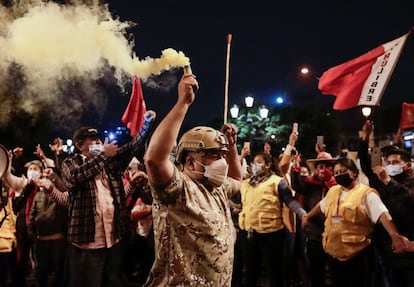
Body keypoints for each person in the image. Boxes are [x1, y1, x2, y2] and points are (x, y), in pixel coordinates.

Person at [143, 70, 243, 286]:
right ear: (190, 162)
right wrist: (183, 103)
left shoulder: (216, 188)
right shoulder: (178, 189)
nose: (222, 163)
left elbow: (237, 179)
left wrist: (232, 147)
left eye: (223, 157)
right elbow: (154, 160)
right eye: (214, 156)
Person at [60, 110, 155, 287]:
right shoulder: (70, 162)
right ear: (80, 146)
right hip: (87, 243)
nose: (99, 143)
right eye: (94, 140)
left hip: (114, 240)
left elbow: (133, 146)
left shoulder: (111, 162)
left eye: (99, 139)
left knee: (114, 281)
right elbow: (75, 177)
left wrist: (146, 124)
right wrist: (104, 155)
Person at [302, 157, 408, 287]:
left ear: (353, 172)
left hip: (356, 254)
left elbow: (382, 214)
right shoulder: (334, 191)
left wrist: (394, 235)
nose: (339, 175)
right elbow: (321, 205)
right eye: (336, 173)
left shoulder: (365, 193)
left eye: (343, 171)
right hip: (334, 252)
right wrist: (308, 216)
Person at [238, 151, 307, 287]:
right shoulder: (246, 183)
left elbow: (289, 201)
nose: (255, 165)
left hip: (272, 234)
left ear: (268, 165)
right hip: (249, 232)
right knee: (250, 271)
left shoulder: (277, 182)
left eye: (259, 162)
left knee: (274, 272)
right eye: (254, 162)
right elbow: (242, 204)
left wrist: (301, 213)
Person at [358, 120, 414, 287]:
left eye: (395, 163)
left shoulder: (410, 182)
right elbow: (365, 161)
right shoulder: (378, 181)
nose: (390, 166)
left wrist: (388, 181)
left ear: (407, 165)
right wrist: (366, 136)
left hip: (408, 250)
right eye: (387, 163)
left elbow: (409, 199)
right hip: (384, 250)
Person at [290, 146, 337, 287]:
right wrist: (295, 167)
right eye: (320, 166)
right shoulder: (310, 184)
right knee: (316, 270)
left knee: (335, 271)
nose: (323, 170)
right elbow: (297, 185)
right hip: (314, 234)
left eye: (327, 166)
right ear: (316, 169)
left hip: (335, 233)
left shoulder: (338, 185)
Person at [28, 172, 67, 287]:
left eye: (47, 178)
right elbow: (32, 215)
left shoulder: (59, 194)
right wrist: (31, 234)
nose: (45, 180)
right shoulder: (38, 196)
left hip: (57, 239)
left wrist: (54, 177)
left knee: (59, 270)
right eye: (43, 177)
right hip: (41, 239)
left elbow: (64, 190)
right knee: (41, 271)